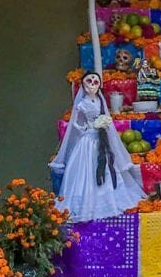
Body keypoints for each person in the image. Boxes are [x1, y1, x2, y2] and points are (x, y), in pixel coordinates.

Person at [50, 72, 145, 222]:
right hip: (88, 141)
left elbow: (105, 117)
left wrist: (103, 124)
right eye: (89, 81)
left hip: (101, 140)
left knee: (106, 167)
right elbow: (75, 123)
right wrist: (87, 127)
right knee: (87, 169)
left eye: (96, 82)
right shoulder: (82, 104)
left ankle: (109, 199)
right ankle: (86, 204)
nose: (92, 85)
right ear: (83, 84)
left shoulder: (100, 101)